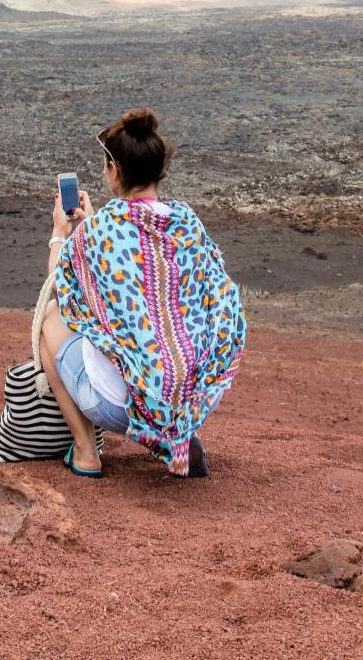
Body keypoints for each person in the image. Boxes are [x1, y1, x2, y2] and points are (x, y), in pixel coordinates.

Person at [37, 108, 244, 478]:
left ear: (114, 171)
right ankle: (179, 437)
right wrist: (93, 224)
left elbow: (59, 279)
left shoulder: (101, 230)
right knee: (178, 323)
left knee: (50, 317)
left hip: (118, 408)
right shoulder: (185, 224)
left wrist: (60, 233)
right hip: (187, 403)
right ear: (157, 170)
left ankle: (86, 453)